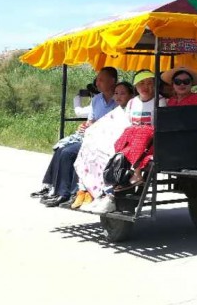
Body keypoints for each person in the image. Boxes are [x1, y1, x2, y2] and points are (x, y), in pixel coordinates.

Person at [38, 66, 120, 207]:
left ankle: (70, 193)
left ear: (112, 81)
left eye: (101, 80)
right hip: (93, 137)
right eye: (97, 80)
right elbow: (91, 121)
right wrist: (85, 126)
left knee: (69, 153)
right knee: (61, 149)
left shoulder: (119, 98)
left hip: (106, 140)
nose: (97, 83)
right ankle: (59, 192)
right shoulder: (96, 100)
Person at [83, 70, 163, 214]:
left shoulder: (160, 101)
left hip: (153, 142)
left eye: (150, 83)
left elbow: (161, 125)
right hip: (133, 143)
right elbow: (125, 123)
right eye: (141, 83)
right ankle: (108, 194)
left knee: (142, 132)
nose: (146, 86)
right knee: (117, 150)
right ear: (136, 86)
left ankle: (136, 174)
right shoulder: (133, 103)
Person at [70, 81, 134, 209]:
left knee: (106, 155)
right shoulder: (115, 109)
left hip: (121, 141)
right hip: (107, 138)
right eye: (116, 93)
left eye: (123, 93)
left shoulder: (132, 110)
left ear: (131, 95)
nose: (119, 96)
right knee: (88, 150)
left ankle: (102, 192)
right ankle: (85, 190)